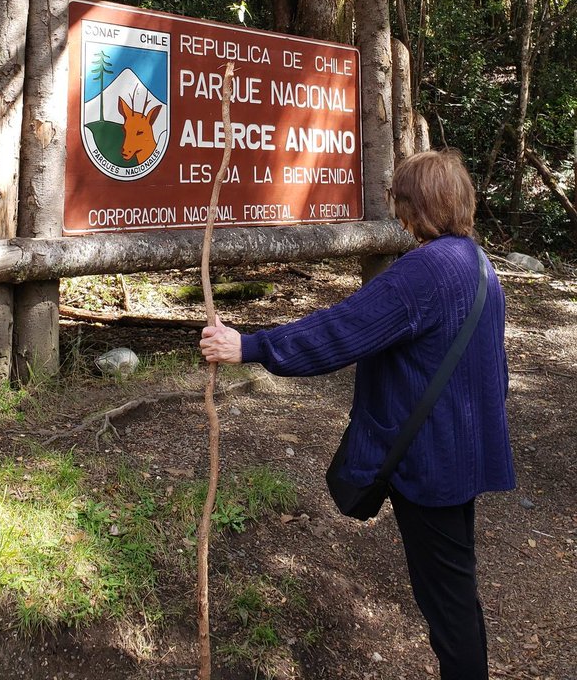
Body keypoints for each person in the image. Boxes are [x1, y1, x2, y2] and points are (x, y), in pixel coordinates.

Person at [200, 149, 515, 680]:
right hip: (464, 455)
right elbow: (495, 369)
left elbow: (341, 330)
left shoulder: (423, 273)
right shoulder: (479, 264)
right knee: (456, 593)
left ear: (417, 207)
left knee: (449, 607)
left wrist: (250, 346)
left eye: (402, 204)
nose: (398, 215)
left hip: (433, 465)